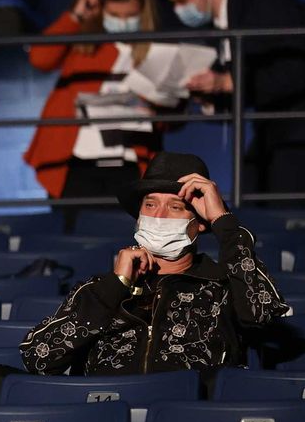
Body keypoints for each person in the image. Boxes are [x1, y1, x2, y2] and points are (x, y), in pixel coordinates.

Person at [20, 152, 289, 376]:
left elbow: (262, 311)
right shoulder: (99, 289)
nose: (159, 216)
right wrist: (116, 285)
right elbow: (38, 358)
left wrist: (224, 222)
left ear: (201, 223)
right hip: (106, 417)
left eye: (175, 207)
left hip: (189, 421)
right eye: (149, 204)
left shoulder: (223, 285)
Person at [160, 0, 305, 196]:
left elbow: (293, 74)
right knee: (251, 190)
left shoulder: (264, 5)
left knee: (277, 198)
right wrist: (209, 96)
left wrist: (226, 82)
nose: (178, 10)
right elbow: (246, 84)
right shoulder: (221, 25)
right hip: (277, 129)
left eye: (182, 1)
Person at [24, 0, 177, 211]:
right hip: (76, 164)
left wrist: (154, 111)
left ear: (142, 13)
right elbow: (40, 58)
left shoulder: (156, 50)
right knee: (72, 238)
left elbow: (174, 116)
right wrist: (76, 15)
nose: (123, 22)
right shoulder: (84, 42)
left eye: (131, 16)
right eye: (115, 15)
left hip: (130, 165)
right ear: (102, 11)